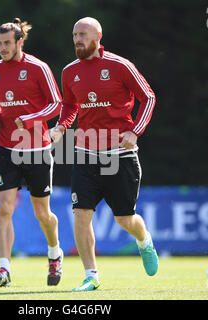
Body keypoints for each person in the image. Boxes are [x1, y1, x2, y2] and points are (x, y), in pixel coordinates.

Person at [50, 17, 158, 291]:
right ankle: (91, 276)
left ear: (98, 36)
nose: (77, 39)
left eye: (83, 34)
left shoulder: (120, 66)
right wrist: (62, 127)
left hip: (120, 155)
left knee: (124, 219)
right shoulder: (69, 71)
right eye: (74, 34)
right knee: (81, 214)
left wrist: (135, 131)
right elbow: (69, 106)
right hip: (85, 153)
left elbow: (148, 97)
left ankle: (144, 239)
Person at [0, 18, 63, 287]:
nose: (2, 48)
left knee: (42, 213)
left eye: (7, 43)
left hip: (37, 149)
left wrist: (30, 119)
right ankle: (4, 269)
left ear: (20, 42)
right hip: (6, 148)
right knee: (4, 208)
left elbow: (56, 104)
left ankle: (54, 252)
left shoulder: (38, 67)